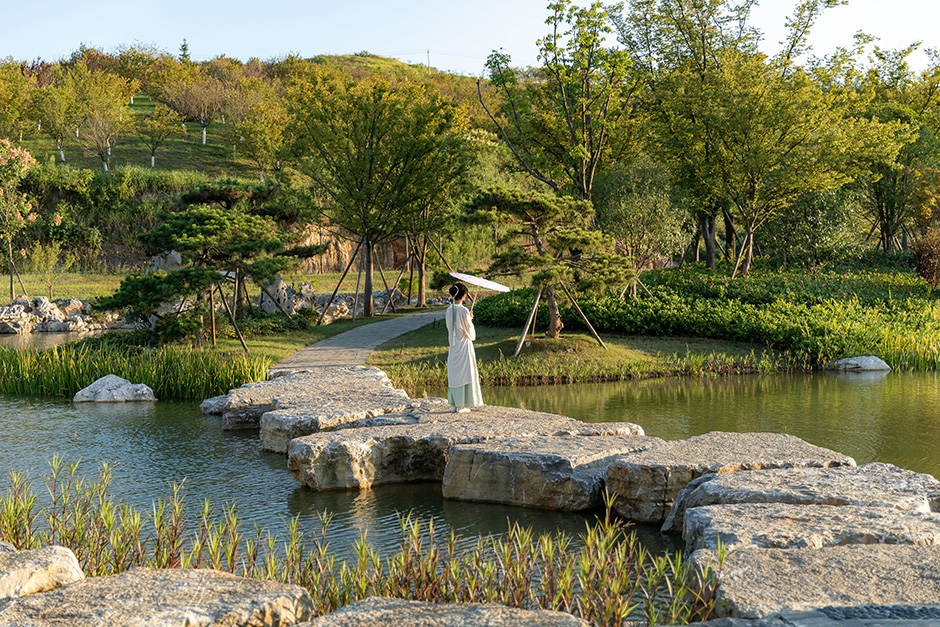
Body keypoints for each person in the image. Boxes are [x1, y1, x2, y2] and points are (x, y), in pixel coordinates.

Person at [445, 282, 483, 413]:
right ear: (464, 296)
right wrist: (470, 320)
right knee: (466, 373)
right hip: (464, 346)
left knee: (455, 373)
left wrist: (467, 318)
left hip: (454, 346)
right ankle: (462, 405)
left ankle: (456, 404)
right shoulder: (464, 310)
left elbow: (453, 327)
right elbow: (471, 334)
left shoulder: (449, 309)